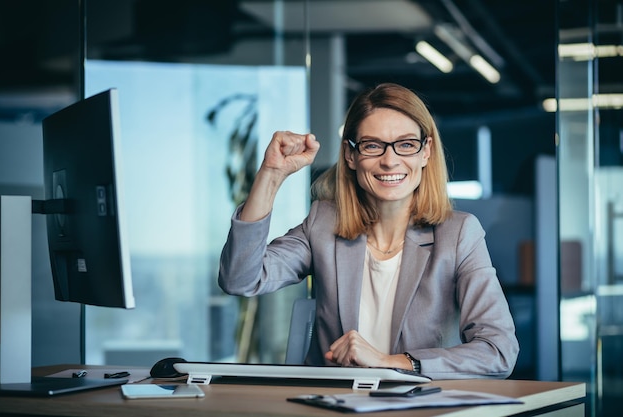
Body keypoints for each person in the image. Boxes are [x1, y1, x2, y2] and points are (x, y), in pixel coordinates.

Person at [218, 82, 519, 380]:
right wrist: (271, 174)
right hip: (330, 405)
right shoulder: (323, 223)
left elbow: (499, 351)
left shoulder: (458, 234)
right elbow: (240, 279)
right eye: (372, 145)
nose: (389, 161)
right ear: (351, 156)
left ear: (425, 152)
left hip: (420, 408)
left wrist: (393, 362)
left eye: (406, 144)